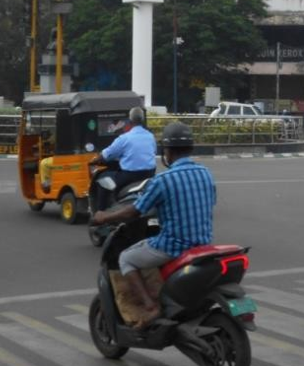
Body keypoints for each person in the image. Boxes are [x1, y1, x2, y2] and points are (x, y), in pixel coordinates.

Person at [91, 122, 217, 329]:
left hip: (174, 246)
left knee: (126, 258)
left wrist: (104, 217)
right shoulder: (206, 173)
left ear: (166, 151)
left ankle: (150, 307)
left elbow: (134, 211)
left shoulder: (164, 180)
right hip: (203, 244)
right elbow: (209, 203)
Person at [89, 106, 156, 209]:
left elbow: (107, 154)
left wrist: (96, 159)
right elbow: (153, 152)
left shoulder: (124, 138)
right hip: (149, 175)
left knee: (103, 179)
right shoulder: (150, 137)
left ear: (130, 120)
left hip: (129, 176)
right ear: (142, 120)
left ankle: (100, 215)